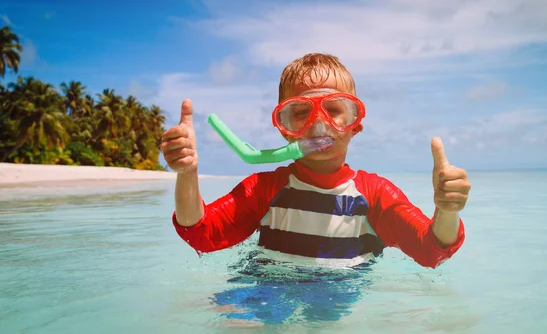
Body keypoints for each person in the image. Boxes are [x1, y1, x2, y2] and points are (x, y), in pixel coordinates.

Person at [160, 53, 471, 270]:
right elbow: (199, 233)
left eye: (334, 109)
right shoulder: (264, 190)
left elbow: (432, 251)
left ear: (355, 124)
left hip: (337, 300)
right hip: (264, 292)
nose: (318, 124)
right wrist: (188, 173)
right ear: (284, 130)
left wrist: (447, 211)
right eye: (300, 112)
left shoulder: (375, 196)